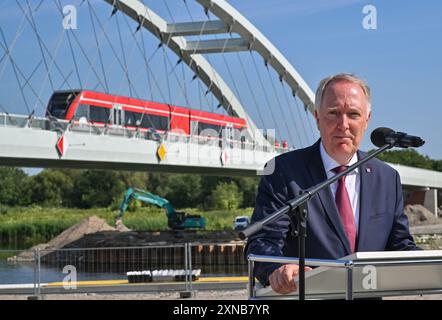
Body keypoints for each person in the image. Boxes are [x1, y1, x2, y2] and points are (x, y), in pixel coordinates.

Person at [245, 73, 419, 294]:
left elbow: (400, 246)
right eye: (333, 113)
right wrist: (278, 269)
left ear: (367, 119)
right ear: (317, 117)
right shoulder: (282, 171)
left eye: (353, 114)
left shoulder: (387, 178)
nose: (343, 125)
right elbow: (263, 241)